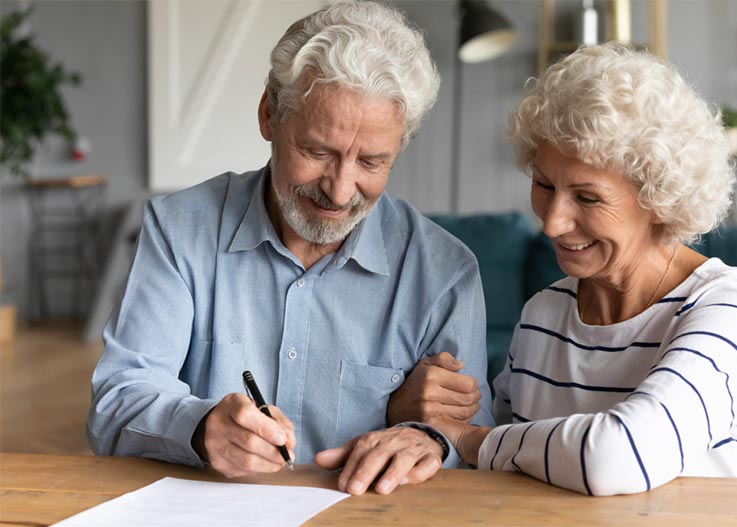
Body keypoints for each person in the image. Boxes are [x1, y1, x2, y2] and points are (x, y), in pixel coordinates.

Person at [86, 1, 494, 496]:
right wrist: (197, 427)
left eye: (371, 162)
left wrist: (426, 435)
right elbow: (116, 401)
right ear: (268, 116)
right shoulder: (178, 231)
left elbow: (473, 442)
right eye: (317, 152)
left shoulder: (445, 272)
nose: (340, 191)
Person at [408, 43, 737, 495]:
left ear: (658, 198)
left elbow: (618, 457)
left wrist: (470, 439)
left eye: (587, 198)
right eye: (544, 185)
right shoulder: (542, 316)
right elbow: (507, 464)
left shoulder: (734, 308)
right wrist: (424, 412)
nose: (552, 222)